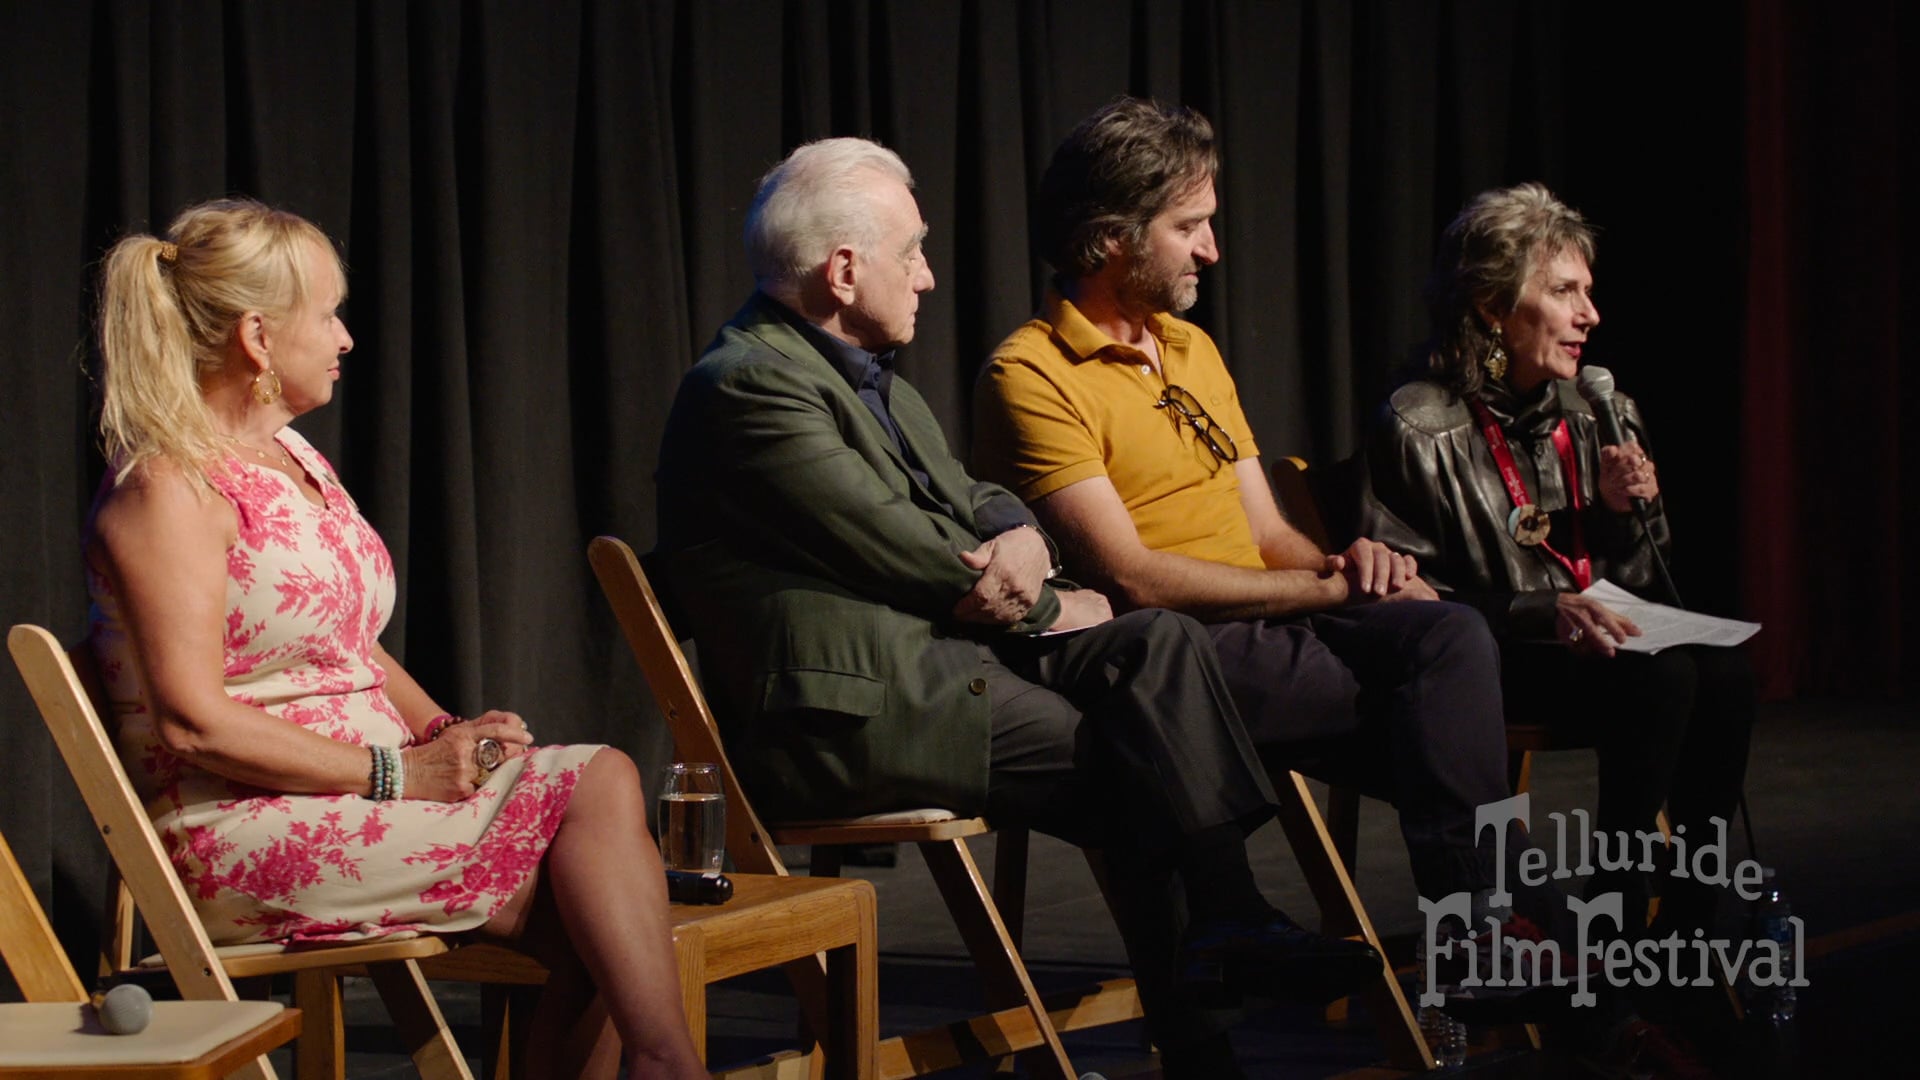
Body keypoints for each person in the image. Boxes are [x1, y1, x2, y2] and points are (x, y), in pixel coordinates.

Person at [653, 137, 1380, 1079]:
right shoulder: (749, 385)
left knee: (1156, 643)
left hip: (943, 666)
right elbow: (916, 553)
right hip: (854, 713)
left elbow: (978, 496)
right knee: (1140, 758)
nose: (928, 276)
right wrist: (1048, 606)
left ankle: (1230, 919)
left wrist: (1025, 537)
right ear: (844, 271)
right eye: (912, 252)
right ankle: (1209, 1031)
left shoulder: (867, 376)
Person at [84, 199, 705, 1080]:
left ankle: (665, 1061)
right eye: (327, 316)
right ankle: (670, 1064)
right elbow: (193, 723)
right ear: (258, 338)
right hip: (246, 825)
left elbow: (351, 643)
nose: (344, 338)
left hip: (368, 793)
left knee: (601, 798)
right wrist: (401, 773)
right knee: (598, 910)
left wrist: (445, 734)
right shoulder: (167, 491)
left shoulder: (296, 459)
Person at [974, 97, 1562, 972]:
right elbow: (1133, 579)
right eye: (1189, 227)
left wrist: (1348, 565)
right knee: (1437, 718)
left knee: (1446, 632)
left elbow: (1265, 531)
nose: (1212, 249)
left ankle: (1490, 922)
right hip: (1180, 654)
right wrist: (1323, 588)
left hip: (1275, 626)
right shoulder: (1030, 374)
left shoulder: (1192, 350)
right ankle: (1503, 928)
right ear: (1111, 240)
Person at [1352, 182, 1755, 939]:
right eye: (1565, 291)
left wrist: (1622, 514)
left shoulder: (1600, 410)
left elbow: (1643, 580)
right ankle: (1617, 904)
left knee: (1726, 670)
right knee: (1664, 676)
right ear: (1491, 306)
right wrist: (1543, 609)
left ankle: (1690, 921)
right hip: (1489, 662)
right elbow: (1402, 598)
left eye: (1588, 292)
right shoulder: (1420, 423)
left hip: (1594, 650)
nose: (1589, 315)